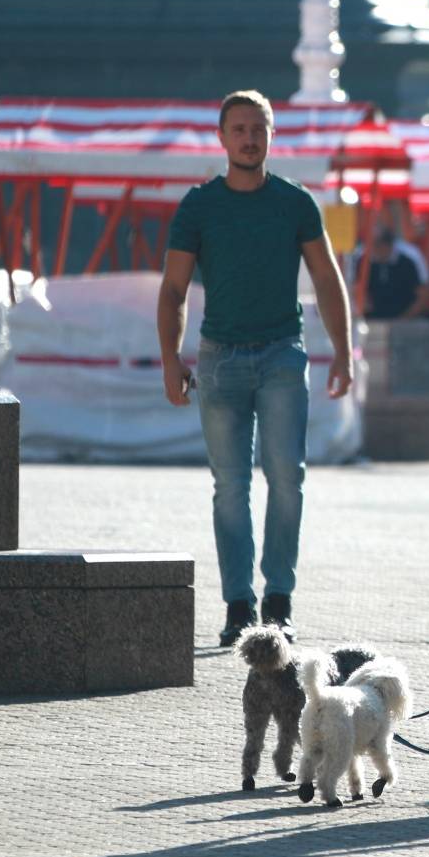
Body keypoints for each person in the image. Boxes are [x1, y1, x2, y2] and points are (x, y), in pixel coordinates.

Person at [157, 90, 355, 647]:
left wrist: (342, 350)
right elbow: (173, 289)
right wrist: (171, 359)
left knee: (287, 479)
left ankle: (279, 600)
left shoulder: (295, 203)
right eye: (239, 129)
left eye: (258, 128)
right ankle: (239, 605)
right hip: (218, 359)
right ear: (221, 138)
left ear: (271, 135)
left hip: (281, 356)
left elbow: (326, 278)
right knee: (230, 487)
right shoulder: (199, 206)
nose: (249, 138)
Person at [363, 226, 429, 319]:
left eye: (376, 245)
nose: (373, 249)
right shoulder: (367, 261)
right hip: (375, 320)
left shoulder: (409, 259)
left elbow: (424, 295)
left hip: (405, 321)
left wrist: (404, 318)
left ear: (386, 245)